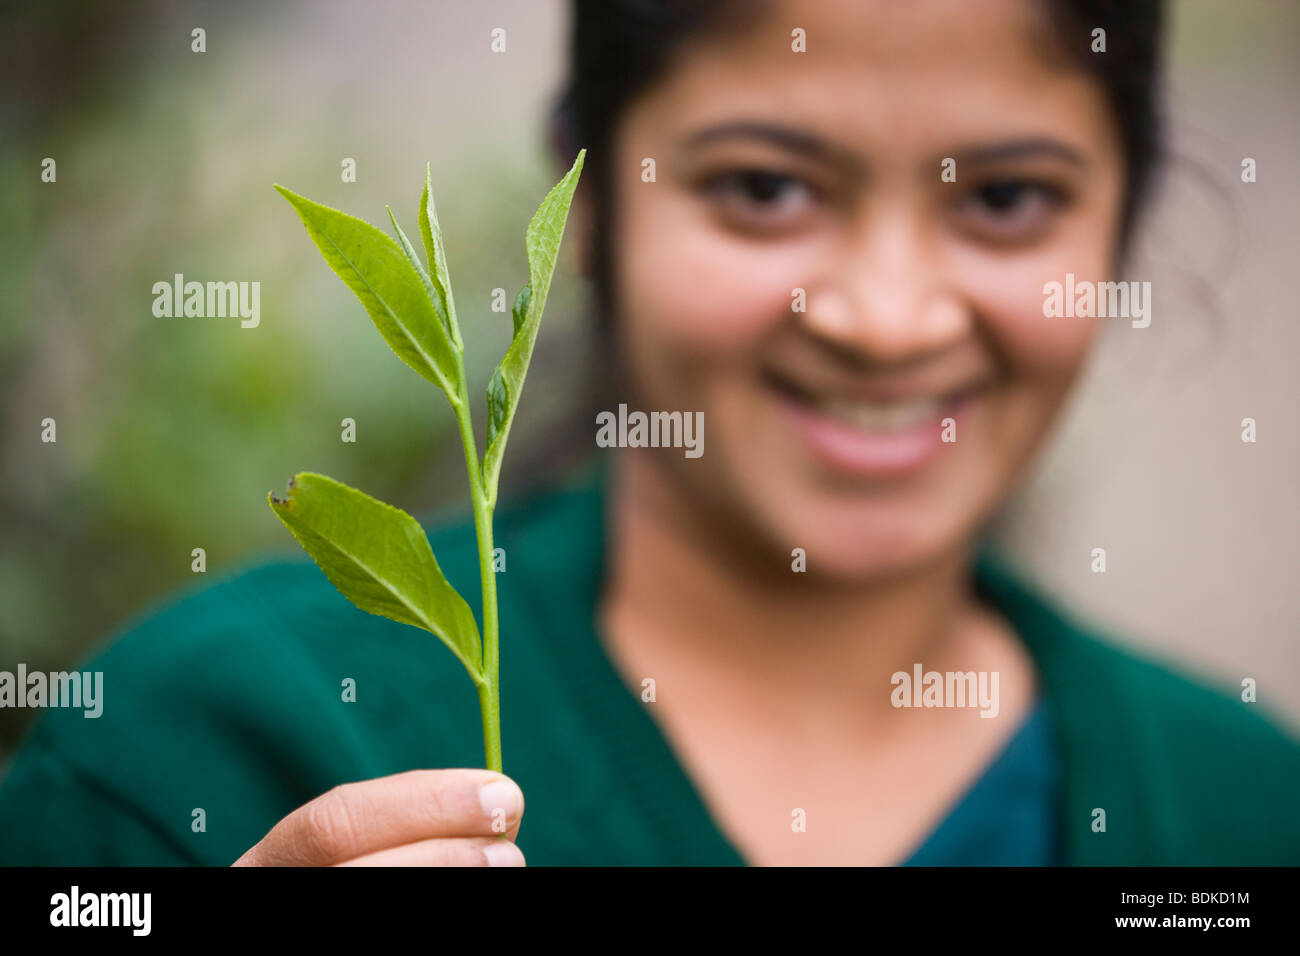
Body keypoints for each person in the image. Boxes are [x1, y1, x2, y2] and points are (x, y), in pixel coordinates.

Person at [1, 0, 1296, 867]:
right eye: (764, 189)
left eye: (1010, 198)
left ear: (1124, 215)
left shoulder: (1239, 812)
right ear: (590, 192)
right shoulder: (206, 750)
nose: (886, 319)